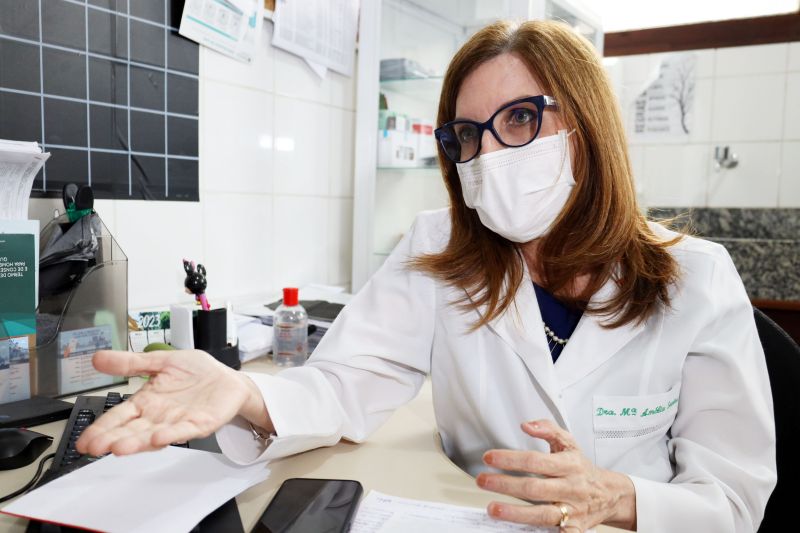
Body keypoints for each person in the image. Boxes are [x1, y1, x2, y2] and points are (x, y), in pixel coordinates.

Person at [76, 20, 776, 533]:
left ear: (586, 127)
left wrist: (618, 496)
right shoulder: (441, 246)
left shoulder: (697, 277)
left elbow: (734, 498)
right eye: (469, 136)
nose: (490, 154)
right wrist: (243, 392)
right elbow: (346, 382)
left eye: (523, 118)